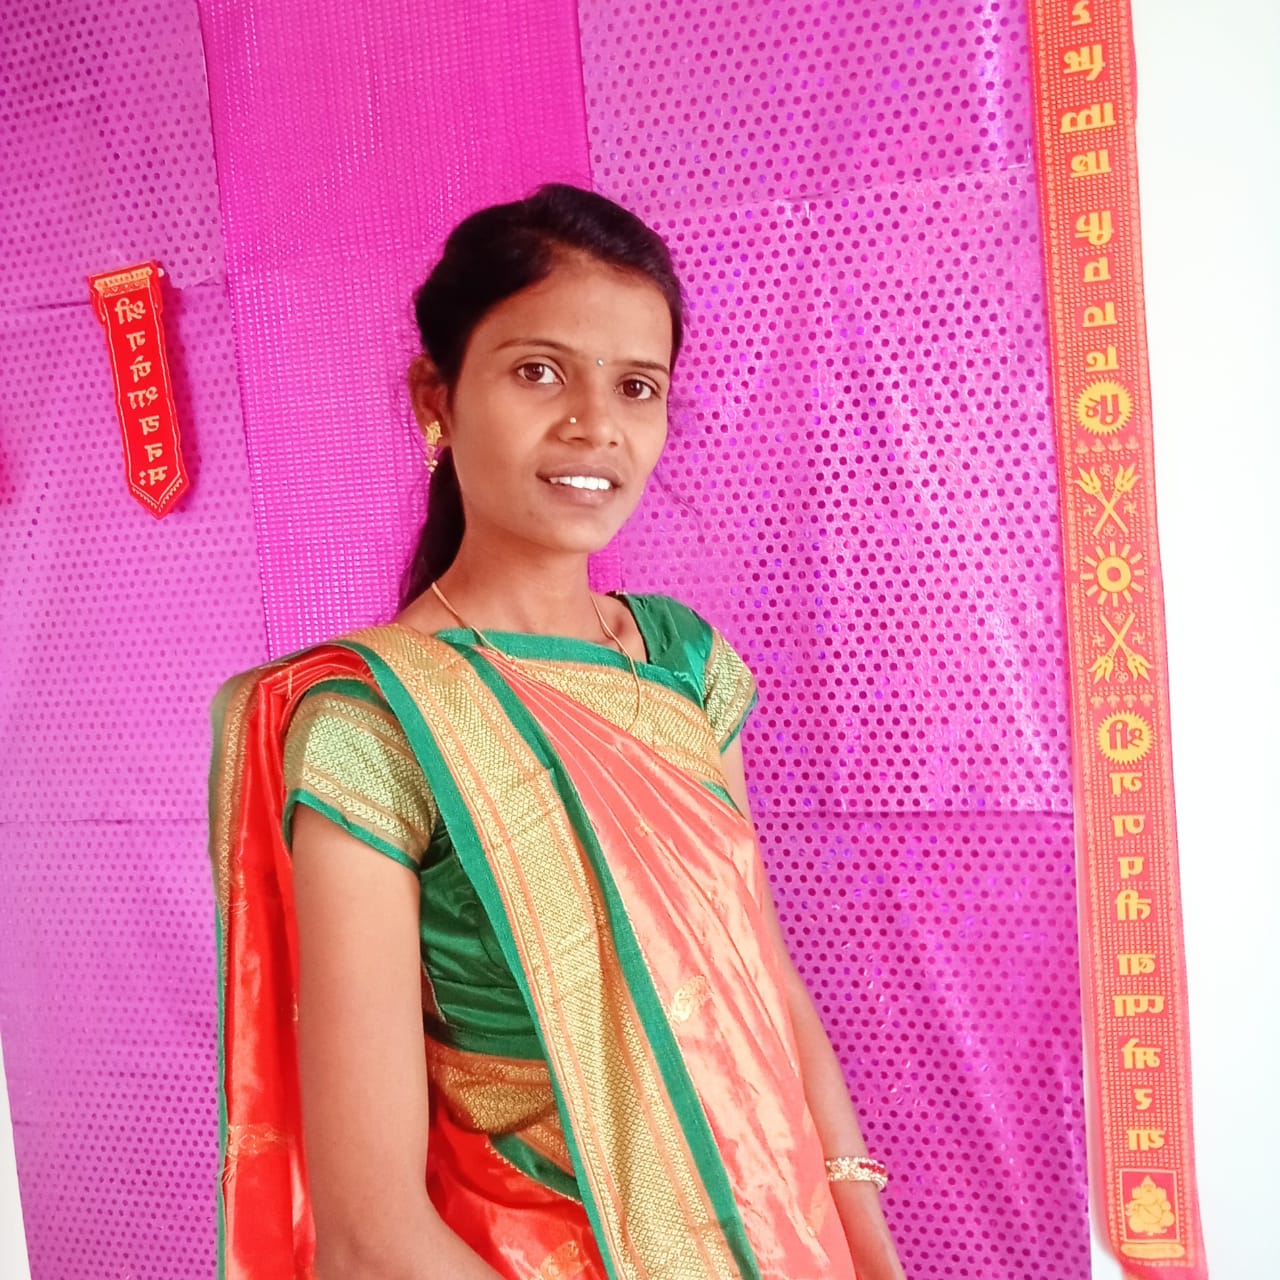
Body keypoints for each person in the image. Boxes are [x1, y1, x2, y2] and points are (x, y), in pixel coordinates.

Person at [210, 182, 907, 1280]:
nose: (596, 425)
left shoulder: (681, 667)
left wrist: (865, 1238)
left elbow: (762, 981)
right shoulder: (374, 724)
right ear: (436, 398)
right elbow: (368, 1237)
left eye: (636, 385)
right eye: (539, 371)